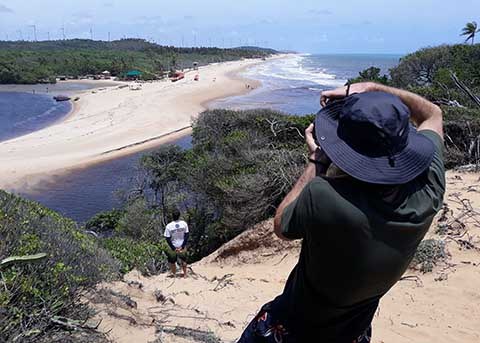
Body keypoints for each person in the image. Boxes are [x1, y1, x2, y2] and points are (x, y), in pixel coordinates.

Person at [238, 82, 445, 342]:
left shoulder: (325, 196)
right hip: (353, 335)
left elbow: (281, 226)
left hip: (292, 331)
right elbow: (432, 113)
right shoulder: (430, 187)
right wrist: (372, 90)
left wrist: (317, 160)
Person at [164, 209, 190, 277]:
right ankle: (185, 274)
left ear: (172, 216)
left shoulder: (169, 226)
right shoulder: (184, 223)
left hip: (173, 246)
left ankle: (174, 274)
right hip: (182, 245)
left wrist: (173, 248)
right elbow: (187, 235)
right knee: (184, 260)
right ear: (179, 215)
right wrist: (183, 246)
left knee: (172, 262)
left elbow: (167, 238)